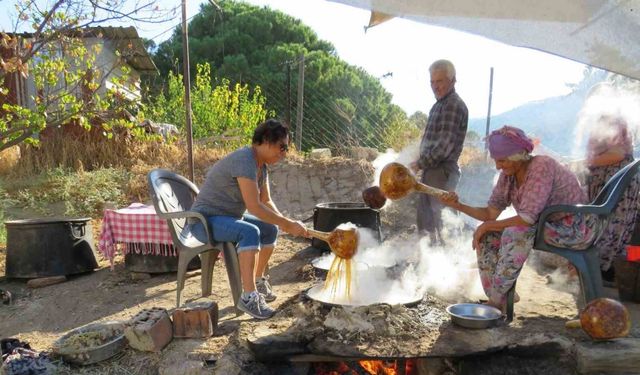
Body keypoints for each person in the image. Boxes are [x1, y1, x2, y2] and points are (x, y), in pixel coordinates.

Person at [439, 125, 599, 311]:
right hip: (547, 226)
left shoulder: (541, 166)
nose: (498, 166)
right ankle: (501, 295)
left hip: (576, 228)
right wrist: (458, 205)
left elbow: (527, 219)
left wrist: (488, 225)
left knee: (516, 232)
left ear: (518, 156)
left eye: (502, 160)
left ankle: (497, 300)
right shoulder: (508, 175)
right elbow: (490, 214)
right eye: (496, 161)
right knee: (487, 235)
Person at [189, 119, 309, 320]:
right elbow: (254, 206)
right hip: (204, 220)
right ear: (264, 141)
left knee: (270, 229)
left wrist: (285, 222)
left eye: (286, 148)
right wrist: (287, 223)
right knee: (250, 231)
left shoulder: (261, 166)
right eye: (282, 147)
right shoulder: (245, 160)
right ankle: (248, 297)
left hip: (227, 217)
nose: (284, 152)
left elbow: (266, 200)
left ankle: (258, 280)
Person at [410, 59, 468, 245]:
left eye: (440, 81)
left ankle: (451, 264)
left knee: (443, 223)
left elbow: (444, 147)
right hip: (432, 171)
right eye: (432, 82)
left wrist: (419, 163)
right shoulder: (439, 105)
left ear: (453, 80)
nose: (435, 86)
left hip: (442, 173)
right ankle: (430, 264)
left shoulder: (452, 105)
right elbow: (431, 144)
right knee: (426, 221)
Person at [585, 115, 640, 282]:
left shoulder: (613, 121)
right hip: (613, 185)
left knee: (611, 229)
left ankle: (603, 269)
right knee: (610, 229)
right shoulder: (605, 121)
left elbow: (618, 153)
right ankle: (605, 270)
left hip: (617, 186)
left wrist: (584, 162)